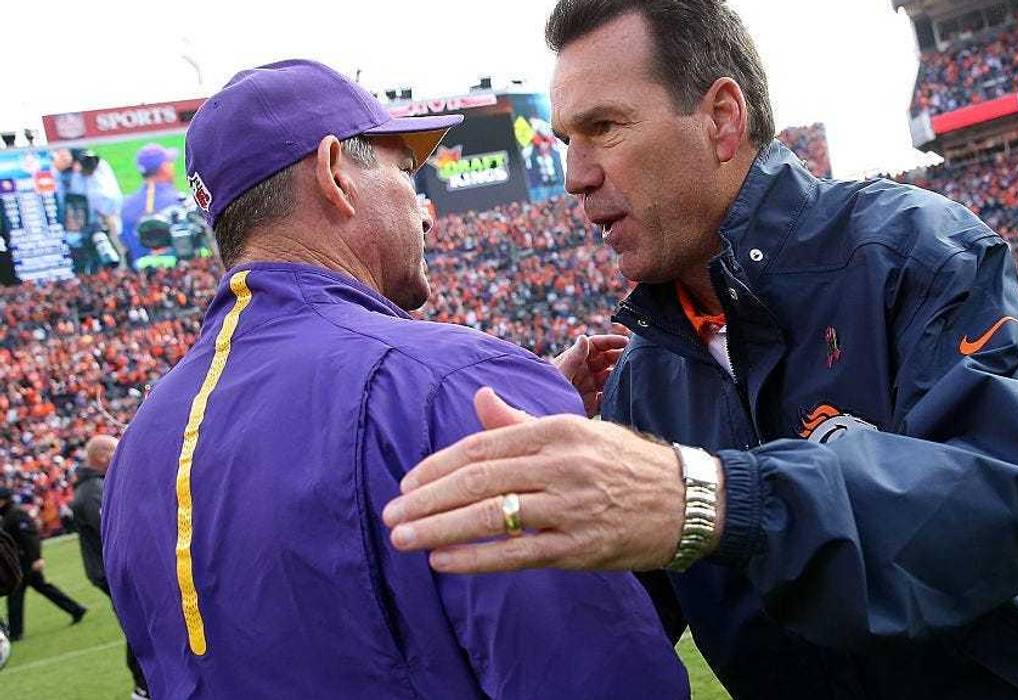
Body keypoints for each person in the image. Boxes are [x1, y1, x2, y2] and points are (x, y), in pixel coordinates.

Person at [383, 3, 1018, 698]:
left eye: (604, 127)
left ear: (719, 119)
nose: (576, 178)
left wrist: (709, 496)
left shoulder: (910, 247)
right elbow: (616, 623)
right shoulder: (644, 376)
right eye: (566, 142)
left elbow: (1005, 494)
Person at [101, 59, 686, 699]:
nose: (428, 211)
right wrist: (474, 402)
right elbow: (600, 678)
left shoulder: (139, 445)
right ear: (334, 175)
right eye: (406, 174)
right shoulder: (452, 383)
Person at [71, 435, 149, 699]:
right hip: (112, 570)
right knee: (140, 622)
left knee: (141, 621)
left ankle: (145, 682)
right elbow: (116, 529)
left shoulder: (93, 487)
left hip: (109, 568)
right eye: (116, 450)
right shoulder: (94, 490)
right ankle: (143, 684)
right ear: (103, 455)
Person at [0, 486, 87, 641]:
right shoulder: (10, 515)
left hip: (25, 562)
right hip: (22, 562)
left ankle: (15, 632)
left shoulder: (15, 514)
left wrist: (36, 558)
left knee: (15, 595)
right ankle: (75, 609)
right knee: (42, 589)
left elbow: (30, 537)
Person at [120, 144, 185, 266]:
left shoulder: (126, 205)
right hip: (179, 271)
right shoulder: (179, 200)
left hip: (142, 276)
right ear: (164, 168)